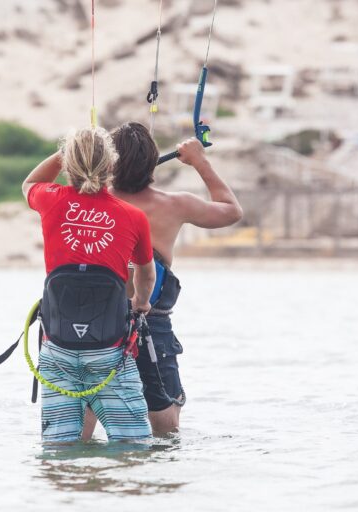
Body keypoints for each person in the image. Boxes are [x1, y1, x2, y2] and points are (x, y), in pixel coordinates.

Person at [82, 122, 243, 438]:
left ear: (109, 161)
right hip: (149, 322)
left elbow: (34, 186)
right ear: (153, 162)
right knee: (166, 428)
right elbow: (231, 211)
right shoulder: (175, 204)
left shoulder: (88, 202)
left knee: (82, 416)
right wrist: (199, 161)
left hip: (93, 323)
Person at [22, 127, 157, 443]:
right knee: (133, 448)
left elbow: (28, 183)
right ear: (111, 165)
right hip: (110, 350)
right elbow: (146, 274)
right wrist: (141, 303)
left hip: (58, 347)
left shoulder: (50, 199)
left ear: (67, 165)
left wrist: (67, 153)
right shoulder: (133, 216)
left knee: (59, 449)